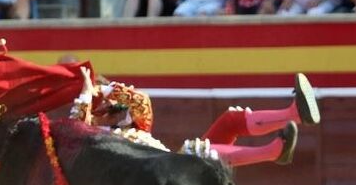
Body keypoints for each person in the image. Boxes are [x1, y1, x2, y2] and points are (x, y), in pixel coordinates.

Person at [72, 68, 320, 167]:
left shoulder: (128, 122)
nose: (107, 106)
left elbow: (142, 101)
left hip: (158, 167)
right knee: (195, 150)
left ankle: (294, 114)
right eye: (100, 103)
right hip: (155, 174)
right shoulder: (90, 134)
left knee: (230, 120)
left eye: (107, 103)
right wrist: (86, 94)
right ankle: (272, 153)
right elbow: (77, 129)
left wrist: (103, 89)